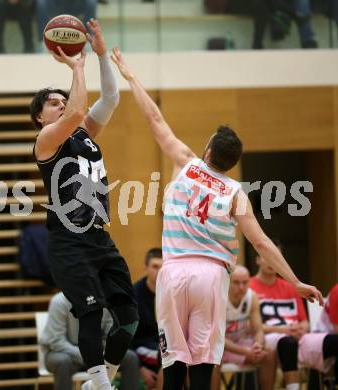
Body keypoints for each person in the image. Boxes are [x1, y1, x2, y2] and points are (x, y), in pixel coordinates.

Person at [111, 47, 323, 390]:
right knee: (204, 360)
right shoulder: (236, 193)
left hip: (174, 271)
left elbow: (155, 119)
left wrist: (131, 77)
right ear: (232, 163)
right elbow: (261, 242)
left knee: (174, 358)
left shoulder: (186, 161)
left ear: (208, 152)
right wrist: (295, 280)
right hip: (209, 276)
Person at [31, 20, 138, 390]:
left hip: (98, 238)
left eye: (64, 100)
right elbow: (77, 112)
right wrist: (77, 67)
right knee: (90, 315)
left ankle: (100, 381)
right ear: (40, 118)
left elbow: (110, 99)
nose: (61, 106)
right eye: (52, 103)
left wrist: (100, 55)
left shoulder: (84, 134)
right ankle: (102, 386)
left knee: (129, 317)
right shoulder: (47, 141)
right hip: (69, 241)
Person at [250, 246, 338, 390]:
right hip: (268, 338)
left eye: (277, 257)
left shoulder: (291, 287)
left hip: (297, 336)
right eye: (267, 257)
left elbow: (304, 322)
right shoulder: (248, 286)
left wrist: (302, 327)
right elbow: (250, 326)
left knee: (334, 341)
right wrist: (283, 329)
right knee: (288, 342)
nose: (272, 262)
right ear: (258, 259)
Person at [40, 292, 139, 390]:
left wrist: (98, 354)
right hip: (64, 353)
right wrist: (88, 355)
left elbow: (111, 335)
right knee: (63, 361)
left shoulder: (105, 300)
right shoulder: (59, 301)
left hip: (96, 351)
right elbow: (55, 340)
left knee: (130, 357)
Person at [211, 265, 276, 390]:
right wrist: (246, 352)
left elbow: (258, 330)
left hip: (239, 343)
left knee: (269, 354)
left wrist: (257, 345)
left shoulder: (252, 297)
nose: (241, 287)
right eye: (236, 282)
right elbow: (216, 339)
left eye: (245, 282)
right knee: (211, 360)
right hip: (218, 348)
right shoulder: (218, 297)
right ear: (227, 281)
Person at [132, 248, 163, 390]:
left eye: (163, 267)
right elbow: (124, 337)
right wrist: (140, 368)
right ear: (145, 269)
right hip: (140, 347)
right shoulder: (133, 295)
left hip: (162, 345)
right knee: (170, 358)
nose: (159, 271)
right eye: (155, 266)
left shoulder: (173, 292)